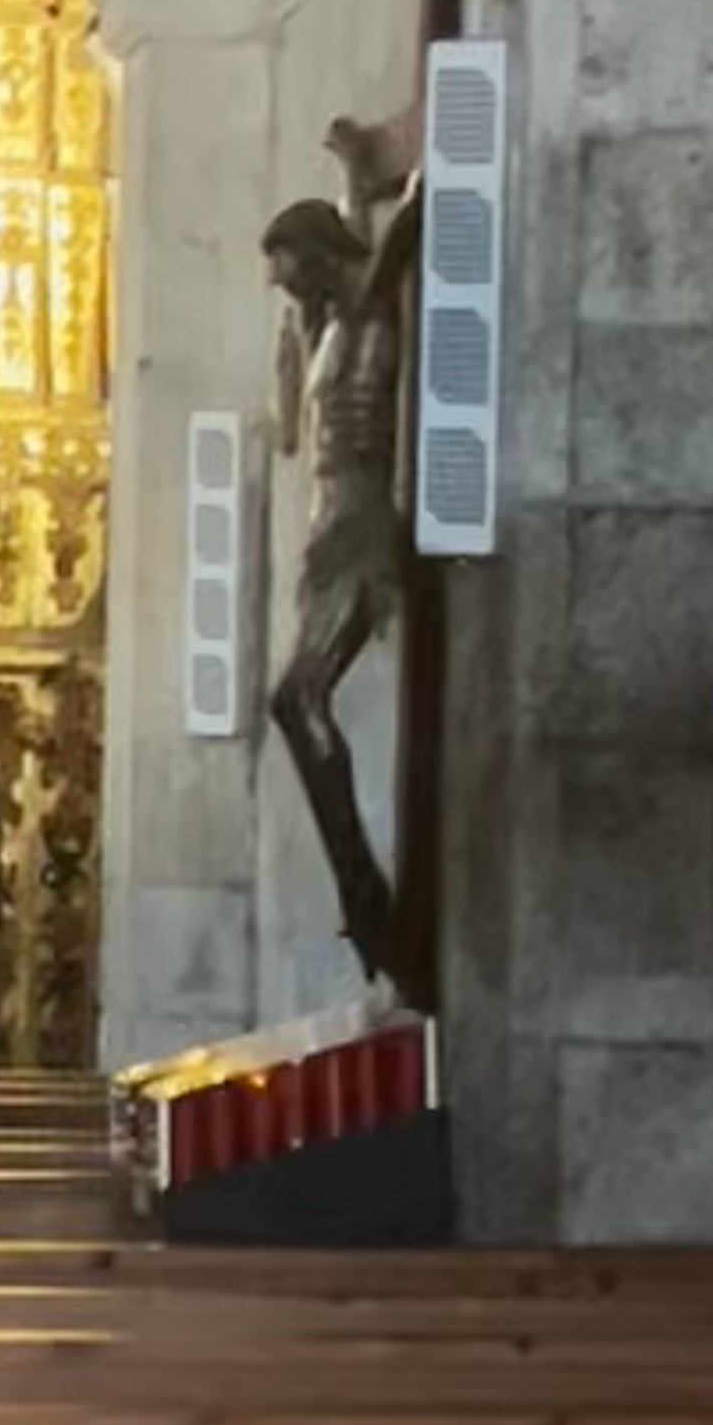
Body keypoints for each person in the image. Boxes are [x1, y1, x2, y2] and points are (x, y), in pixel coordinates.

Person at [261, 112, 425, 996]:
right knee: (294, 700)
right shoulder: (331, 322)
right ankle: (363, 896)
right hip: (332, 522)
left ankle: (368, 898)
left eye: (294, 278)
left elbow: (393, 234)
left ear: (320, 259)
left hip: (361, 522)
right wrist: (357, 177)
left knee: (295, 698)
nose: (293, 297)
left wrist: (382, 172)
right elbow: (363, 229)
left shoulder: (371, 302)